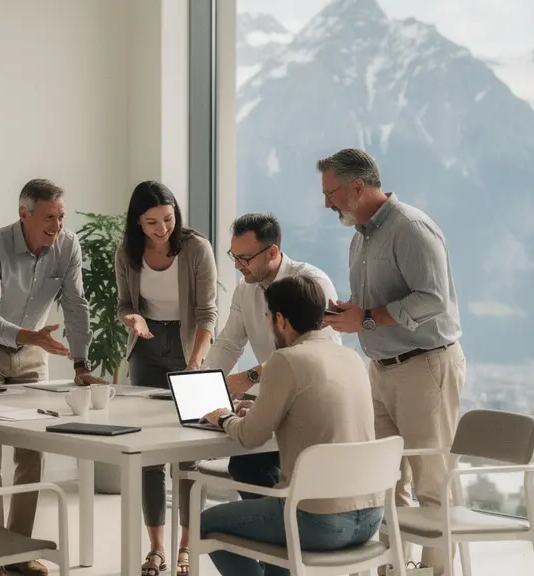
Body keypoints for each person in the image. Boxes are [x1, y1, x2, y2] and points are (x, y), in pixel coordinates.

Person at [317, 148, 466, 576]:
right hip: (381, 369)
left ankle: (437, 572)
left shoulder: (412, 229)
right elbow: (377, 305)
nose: (327, 203)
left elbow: (433, 300)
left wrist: (363, 317)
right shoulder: (360, 236)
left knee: (432, 484)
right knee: (382, 482)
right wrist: (350, 310)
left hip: (425, 367)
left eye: (331, 193)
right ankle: (392, 570)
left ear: (358, 186)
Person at [0, 178, 104, 576]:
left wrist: (80, 363)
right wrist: (27, 336)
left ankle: (15, 553)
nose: (57, 225)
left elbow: (75, 303)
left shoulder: (68, 245)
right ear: (24, 215)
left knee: (32, 449)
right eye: (48, 217)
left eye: (61, 215)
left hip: (34, 349)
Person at [199, 275, 384, 576]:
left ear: (281, 320)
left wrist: (222, 416)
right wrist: (258, 410)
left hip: (318, 522)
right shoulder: (351, 358)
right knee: (270, 509)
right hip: (371, 518)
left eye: (270, 317)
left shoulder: (284, 360)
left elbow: (249, 436)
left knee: (206, 523)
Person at [114, 180, 218, 576]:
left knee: (189, 452)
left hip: (191, 342)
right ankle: (157, 547)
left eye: (169, 219)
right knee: (150, 452)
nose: (162, 229)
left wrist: (196, 360)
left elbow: (208, 311)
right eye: (152, 222)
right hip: (146, 346)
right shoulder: (127, 252)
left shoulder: (196, 248)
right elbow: (125, 304)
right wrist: (133, 318)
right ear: (137, 222)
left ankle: (186, 549)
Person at [201, 213, 341, 496]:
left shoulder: (310, 284)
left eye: (245, 258)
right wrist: (203, 385)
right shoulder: (245, 289)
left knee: (248, 462)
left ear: (272, 252)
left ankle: (284, 522)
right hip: (278, 400)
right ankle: (283, 522)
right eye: (234, 256)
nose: (238, 265)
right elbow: (229, 342)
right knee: (245, 465)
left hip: (314, 407)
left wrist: (249, 377)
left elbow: (313, 349)